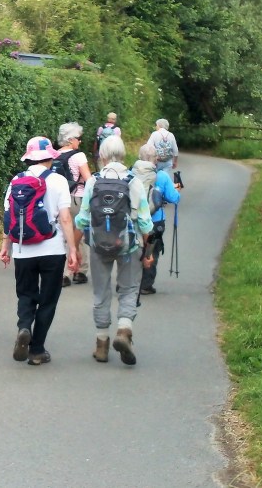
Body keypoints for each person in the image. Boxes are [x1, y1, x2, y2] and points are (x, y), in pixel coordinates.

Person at [0, 136, 79, 366]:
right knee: (48, 299)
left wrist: (6, 246)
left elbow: (8, 217)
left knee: (26, 295)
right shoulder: (58, 180)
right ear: (49, 156)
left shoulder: (16, 180)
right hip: (52, 250)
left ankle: (24, 326)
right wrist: (72, 249)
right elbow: (65, 218)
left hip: (23, 250)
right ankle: (37, 349)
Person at [74, 135, 153, 366]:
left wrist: (74, 249)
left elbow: (82, 219)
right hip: (129, 246)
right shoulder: (133, 181)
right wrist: (148, 252)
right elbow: (145, 222)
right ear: (123, 155)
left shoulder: (94, 182)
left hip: (98, 246)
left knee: (101, 292)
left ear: (102, 156)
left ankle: (101, 344)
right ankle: (124, 329)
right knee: (128, 288)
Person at [132, 144, 181, 297]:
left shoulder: (130, 173)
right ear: (155, 159)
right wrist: (177, 189)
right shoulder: (161, 176)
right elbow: (174, 198)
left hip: (133, 220)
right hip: (155, 222)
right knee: (151, 250)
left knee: (132, 249)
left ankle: (128, 283)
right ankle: (146, 285)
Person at [55, 122, 92, 287]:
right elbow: (89, 180)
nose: (80, 141)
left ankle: (66, 271)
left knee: (63, 235)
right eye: (78, 138)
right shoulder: (79, 156)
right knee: (79, 234)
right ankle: (76, 272)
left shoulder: (53, 155)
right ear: (70, 140)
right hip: (77, 198)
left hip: (58, 200)